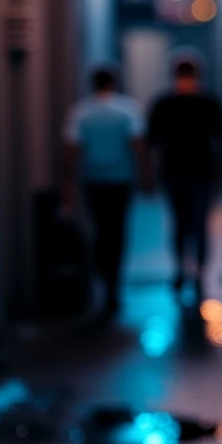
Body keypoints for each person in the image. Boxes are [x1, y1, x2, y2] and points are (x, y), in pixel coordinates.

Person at [62, 63, 152, 317]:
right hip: (121, 181)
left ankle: (103, 280)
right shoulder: (128, 110)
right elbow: (138, 147)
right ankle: (114, 284)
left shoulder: (80, 112)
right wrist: (147, 177)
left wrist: (68, 184)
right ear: (113, 82)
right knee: (118, 230)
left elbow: (71, 152)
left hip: (93, 181)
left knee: (99, 229)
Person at [146, 53, 222, 300]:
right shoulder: (208, 102)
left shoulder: (164, 103)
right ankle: (198, 274)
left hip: (173, 172)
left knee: (179, 224)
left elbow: (152, 139)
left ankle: (180, 270)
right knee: (199, 224)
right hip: (203, 172)